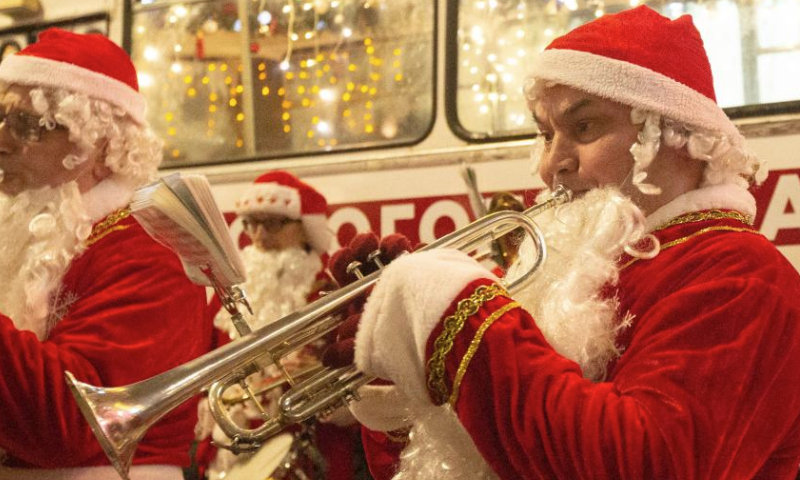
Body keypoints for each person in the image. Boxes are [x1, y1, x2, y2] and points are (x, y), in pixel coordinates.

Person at [323, 6, 800, 479]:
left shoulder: (740, 273)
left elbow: (646, 464)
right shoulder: (584, 269)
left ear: (678, 133)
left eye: (585, 128)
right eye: (546, 135)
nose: (552, 166)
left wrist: (460, 317)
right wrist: (399, 374)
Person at [0, 29, 214, 479]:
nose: (2, 141)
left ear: (100, 141)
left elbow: (71, 424)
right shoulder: (22, 233)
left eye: (26, 125)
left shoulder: (151, 247)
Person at [194, 170, 367, 480]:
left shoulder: (328, 290)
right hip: (234, 447)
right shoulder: (229, 294)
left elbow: (358, 369)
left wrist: (317, 368)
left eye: (272, 223)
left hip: (310, 447)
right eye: (251, 223)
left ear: (305, 229)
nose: (258, 236)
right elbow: (203, 360)